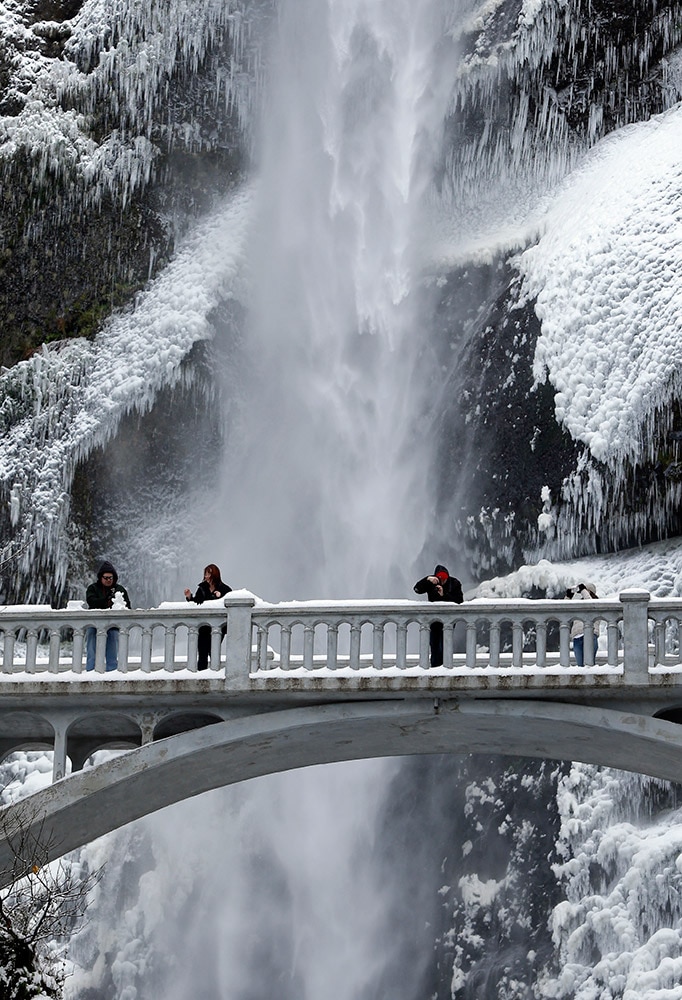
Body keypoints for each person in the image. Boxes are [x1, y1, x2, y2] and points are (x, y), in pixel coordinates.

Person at [413, 564, 464, 667]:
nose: (443, 581)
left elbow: (459, 601)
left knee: (444, 644)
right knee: (434, 645)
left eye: (445, 579)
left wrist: (443, 595)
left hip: (448, 620)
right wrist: (427, 579)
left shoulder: (454, 583)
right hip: (434, 620)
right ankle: (435, 667)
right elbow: (417, 589)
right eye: (440, 579)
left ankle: (445, 666)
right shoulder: (431, 582)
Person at [184, 564, 232, 670]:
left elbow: (231, 603)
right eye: (205, 573)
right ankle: (202, 675)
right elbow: (197, 602)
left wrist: (221, 596)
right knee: (202, 651)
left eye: (209, 573)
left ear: (215, 574)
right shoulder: (202, 588)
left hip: (219, 627)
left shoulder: (224, 589)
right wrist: (189, 597)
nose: (206, 576)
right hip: (203, 626)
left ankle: (215, 673)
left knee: (213, 650)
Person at [85, 561, 131, 671]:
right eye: (106, 578)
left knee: (112, 646)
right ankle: (91, 669)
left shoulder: (119, 589)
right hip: (94, 623)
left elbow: (127, 605)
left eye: (111, 578)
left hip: (113, 625)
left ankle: (112, 669)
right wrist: (107, 601)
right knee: (92, 646)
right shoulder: (93, 588)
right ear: (100, 577)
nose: (108, 580)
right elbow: (91, 602)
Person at [566, 581, 599, 666]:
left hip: (590, 635)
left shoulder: (597, 603)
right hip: (577, 638)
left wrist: (583, 590)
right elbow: (564, 609)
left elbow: (590, 604)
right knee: (580, 667)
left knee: (589, 666)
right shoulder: (579, 604)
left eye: (585, 590)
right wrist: (568, 596)